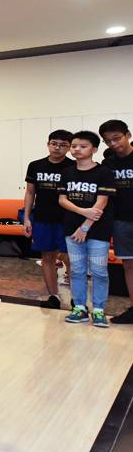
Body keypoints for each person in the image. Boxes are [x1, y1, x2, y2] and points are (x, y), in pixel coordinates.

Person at [59, 130, 116, 327]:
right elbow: (62, 199)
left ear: (94, 149)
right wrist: (82, 211)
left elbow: (101, 203)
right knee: (77, 271)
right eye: (74, 146)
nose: (76, 149)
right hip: (71, 230)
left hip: (97, 231)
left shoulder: (104, 172)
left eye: (82, 146)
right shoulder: (66, 172)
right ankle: (80, 308)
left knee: (99, 271)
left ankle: (99, 310)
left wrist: (85, 227)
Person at [23, 130, 76, 309]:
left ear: (69, 147)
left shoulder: (73, 166)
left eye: (63, 145)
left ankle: (78, 298)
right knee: (47, 257)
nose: (57, 148)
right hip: (42, 219)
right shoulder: (35, 165)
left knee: (70, 258)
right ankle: (53, 296)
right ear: (48, 144)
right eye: (54, 143)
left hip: (67, 220)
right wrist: (27, 218)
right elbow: (30, 192)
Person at [99, 120, 133, 324]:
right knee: (129, 265)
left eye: (117, 138)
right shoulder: (108, 164)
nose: (113, 144)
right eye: (108, 141)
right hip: (121, 221)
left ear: (128, 135)